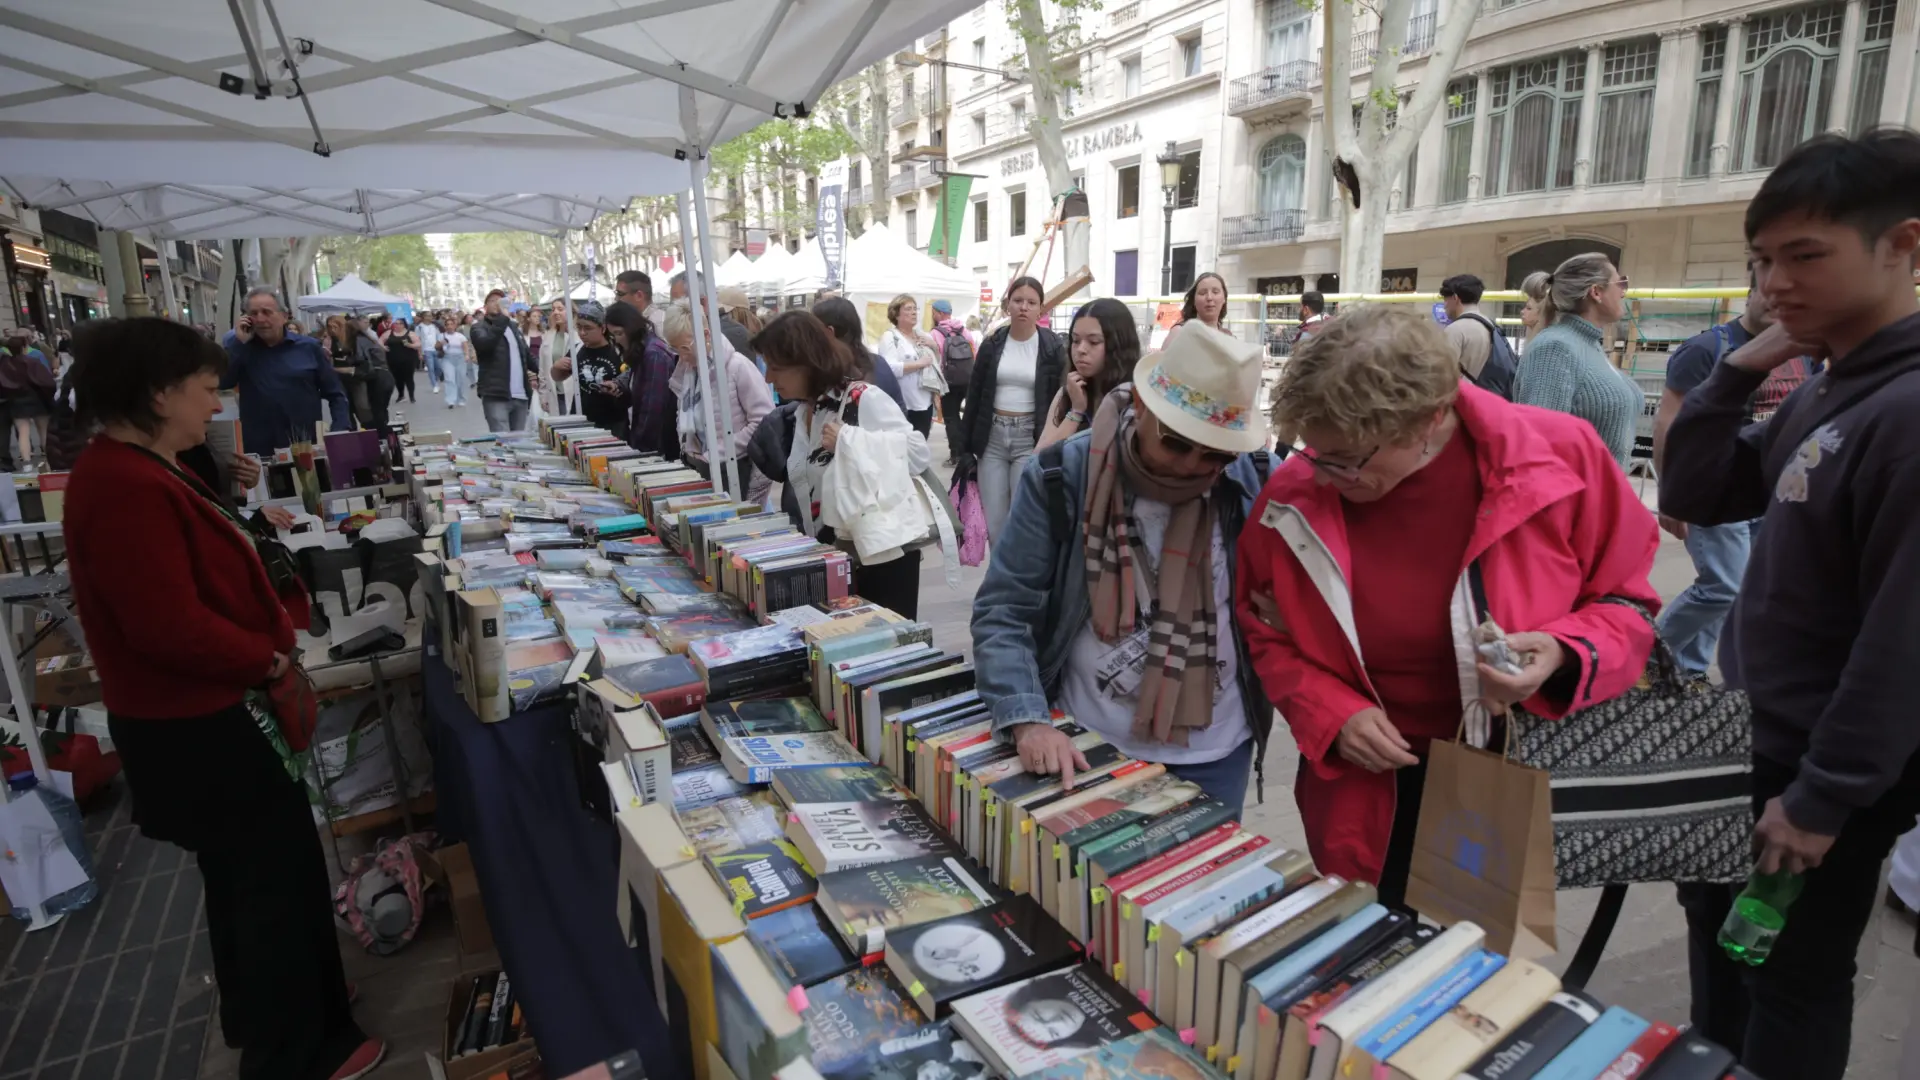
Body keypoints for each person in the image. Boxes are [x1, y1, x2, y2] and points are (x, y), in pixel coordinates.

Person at [1236, 304, 1660, 902]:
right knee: (1368, 950)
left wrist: (1564, 651)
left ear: (1431, 419)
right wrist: (1330, 711)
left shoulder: (1559, 457)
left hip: (1500, 771)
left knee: (1470, 956)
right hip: (1363, 779)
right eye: (1313, 454)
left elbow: (1628, 603)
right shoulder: (1294, 491)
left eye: (1347, 460)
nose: (1325, 477)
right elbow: (1261, 625)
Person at [1659, 129, 1920, 1080]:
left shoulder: (1905, 409)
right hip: (1752, 730)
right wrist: (1732, 371)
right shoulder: (1827, 388)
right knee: (1721, 943)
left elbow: (1904, 640)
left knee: (1793, 978)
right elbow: (1698, 493)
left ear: (1905, 246)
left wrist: (1822, 800)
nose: (1775, 283)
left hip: (1821, 769)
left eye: (1806, 256)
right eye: (1763, 260)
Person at [62, 317, 385, 1080]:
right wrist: (266, 659)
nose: (215, 404)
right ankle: (297, 1052)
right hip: (201, 728)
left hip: (203, 718)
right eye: (207, 391)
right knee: (268, 883)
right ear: (158, 391)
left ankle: (277, 1014)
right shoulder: (122, 484)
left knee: (255, 880)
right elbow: (164, 623)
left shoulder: (148, 466)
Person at [970, 325, 1279, 810]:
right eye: (1177, 443)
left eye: (1216, 453)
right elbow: (1005, 610)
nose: (1193, 465)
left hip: (1218, 754)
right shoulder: (1062, 476)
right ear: (1142, 404)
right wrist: (1028, 720)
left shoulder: (1256, 479)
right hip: (1090, 750)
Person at [1652, 272, 1815, 679]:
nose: (1778, 301)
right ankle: (1647, 655)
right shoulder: (1707, 349)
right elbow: (1669, 421)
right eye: (1768, 289)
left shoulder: (1805, 351)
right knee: (1725, 586)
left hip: (1773, 491)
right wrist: (1672, 492)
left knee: (1737, 593)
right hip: (1715, 487)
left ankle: (1688, 671)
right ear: (1750, 293)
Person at [755, 310, 932, 618]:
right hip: (837, 563)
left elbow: (917, 454)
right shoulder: (804, 412)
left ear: (806, 363)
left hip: (880, 558)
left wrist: (851, 439)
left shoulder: (862, 398)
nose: (768, 378)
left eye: (776, 367)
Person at [957, 277, 1067, 543]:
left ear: (1040, 309)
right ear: (1008, 305)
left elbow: (1059, 399)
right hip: (992, 438)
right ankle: (999, 581)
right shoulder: (992, 344)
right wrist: (964, 447)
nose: (1024, 307)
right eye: (1018, 301)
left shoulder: (1052, 346)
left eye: (1031, 302)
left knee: (1021, 519)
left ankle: (1017, 580)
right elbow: (975, 395)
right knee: (995, 525)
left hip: (1029, 439)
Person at [1513, 254, 1642, 467]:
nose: (1623, 291)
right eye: (1620, 283)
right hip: (1579, 497)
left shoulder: (1589, 344)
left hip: (1604, 494)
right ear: (1596, 292)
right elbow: (1538, 450)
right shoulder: (1555, 348)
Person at [221, 288, 350, 456]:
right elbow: (223, 382)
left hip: (306, 447)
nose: (260, 319)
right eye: (253, 313)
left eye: (267, 312)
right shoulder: (240, 349)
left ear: (284, 316)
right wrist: (239, 344)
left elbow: (336, 393)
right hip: (260, 449)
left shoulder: (309, 348)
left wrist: (339, 429)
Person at [664, 301, 772, 493]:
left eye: (684, 347)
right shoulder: (687, 370)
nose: (680, 355)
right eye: (674, 348)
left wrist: (720, 451)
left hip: (733, 467)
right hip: (698, 463)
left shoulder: (737, 366)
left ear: (706, 335)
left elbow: (763, 422)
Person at [1036, 298, 1140, 451]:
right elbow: (1039, 457)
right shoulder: (1068, 393)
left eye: (1093, 342)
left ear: (1118, 346)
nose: (1080, 350)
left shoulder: (1135, 398)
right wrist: (1076, 411)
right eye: (1075, 340)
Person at [606, 300, 678, 458]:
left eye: (619, 333)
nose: (617, 340)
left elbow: (652, 408)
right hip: (648, 444)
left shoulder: (653, 354)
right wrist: (621, 393)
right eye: (613, 335)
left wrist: (639, 450)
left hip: (655, 448)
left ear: (631, 329)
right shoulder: (642, 351)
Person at [812, 296, 905, 408]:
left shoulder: (831, 372)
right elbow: (901, 413)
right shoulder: (877, 363)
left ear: (829, 332)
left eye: (811, 330)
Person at [469, 289, 540, 433]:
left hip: (520, 396)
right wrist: (503, 319)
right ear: (485, 306)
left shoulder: (513, 327)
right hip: (496, 395)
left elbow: (526, 355)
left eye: (501, 301)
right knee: (503, 443)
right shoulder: (479, 327)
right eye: (493, 301)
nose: (497, 304)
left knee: (519, 442)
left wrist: (545, 371)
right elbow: (485, 345)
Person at [553, 303, 627, 435]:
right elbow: (558, 377)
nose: (582, 333)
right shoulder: (576, 350)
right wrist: (556, 367)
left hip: (613, 422)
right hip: (581, 420)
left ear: (603, 328)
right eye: (579, 327)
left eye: (588, 328)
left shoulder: (618, 351)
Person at [878, 294, 938, 436]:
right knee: (904, 447)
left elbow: (935, 364)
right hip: (904, 404)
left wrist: (934, 347)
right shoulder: (890, 337)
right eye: (908, 309)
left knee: (921, 445)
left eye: (915, 309)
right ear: (896, 314)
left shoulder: (922, 335)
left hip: (925, 403)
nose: (914, 312)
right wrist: (918, 364)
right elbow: (888, 369)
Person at [1, 334, 55, 467]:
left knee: (23, 433)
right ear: (24, 347)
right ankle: (49, 461)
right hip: (36, 399)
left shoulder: (5, 364)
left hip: (17, 400)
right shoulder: (32, 361)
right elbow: (46, 381)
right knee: (43, 431)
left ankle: (27, 464)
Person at [929, 299, 974, 455]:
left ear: (940, 313)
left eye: (933, 312)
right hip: (968, 378)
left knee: (951, 417)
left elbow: (935, 360)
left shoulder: (935, 334)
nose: (933, 316)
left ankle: (956, 454)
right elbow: (975, 351)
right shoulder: (964, 330)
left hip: (948, 381)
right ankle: (967, 450)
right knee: (966, 415)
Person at [1439, 274, 1492, 379]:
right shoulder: (1490, 326)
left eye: (1445, 300)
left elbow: (1443, 373)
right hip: (1487, 392)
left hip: (1462, 393)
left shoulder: (1455, 330)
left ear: (1455, 298)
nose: (1444, 305)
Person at [542, 300, 577, 416]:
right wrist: (544, 395)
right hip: (555, 394)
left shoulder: (578, 335)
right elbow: (543, 369)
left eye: (560, 309)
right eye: (553, 309)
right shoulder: (548, 336)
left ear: (571, 311)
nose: (556, 312)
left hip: (574, 393)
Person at [383, 316, 420, 404]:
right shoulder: (389, 333)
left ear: (404, 325)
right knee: (397, 378)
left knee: (409, 378)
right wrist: (383, 347)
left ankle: (412, 396)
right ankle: (401, 395)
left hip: (408, 359)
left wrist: (410, 345)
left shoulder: (410, 333)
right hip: (393, 359)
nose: (398, 325)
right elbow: (379, 341)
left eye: (400, 324)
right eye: (396, 323)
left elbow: (418, 344)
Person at [437, 314, 470, 409]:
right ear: (445, 326)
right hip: (447, 358)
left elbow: (465, 346)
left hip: (460, 358)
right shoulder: (441, 336)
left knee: (461, 379)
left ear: (455, 326)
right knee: (449, 379)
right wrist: (441, 343)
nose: (450, 326)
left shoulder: (460, 336)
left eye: (452, 324)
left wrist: (467, 355)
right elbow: (436, 346)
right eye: (448, 324)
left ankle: (462, 399)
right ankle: (450, 400)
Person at [416, 311, 442, 394]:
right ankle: (434, 385)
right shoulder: (419, 327)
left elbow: (439, 337)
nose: (430, 317)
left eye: (431, 316)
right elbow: (418, 340)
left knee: (439, 368)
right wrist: (420, 352)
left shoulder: (434, 326)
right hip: (426, 350)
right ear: (423, 317)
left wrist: (439, 345)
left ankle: (435, 379)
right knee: (430, 368)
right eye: (427, 316)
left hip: (435, 349)